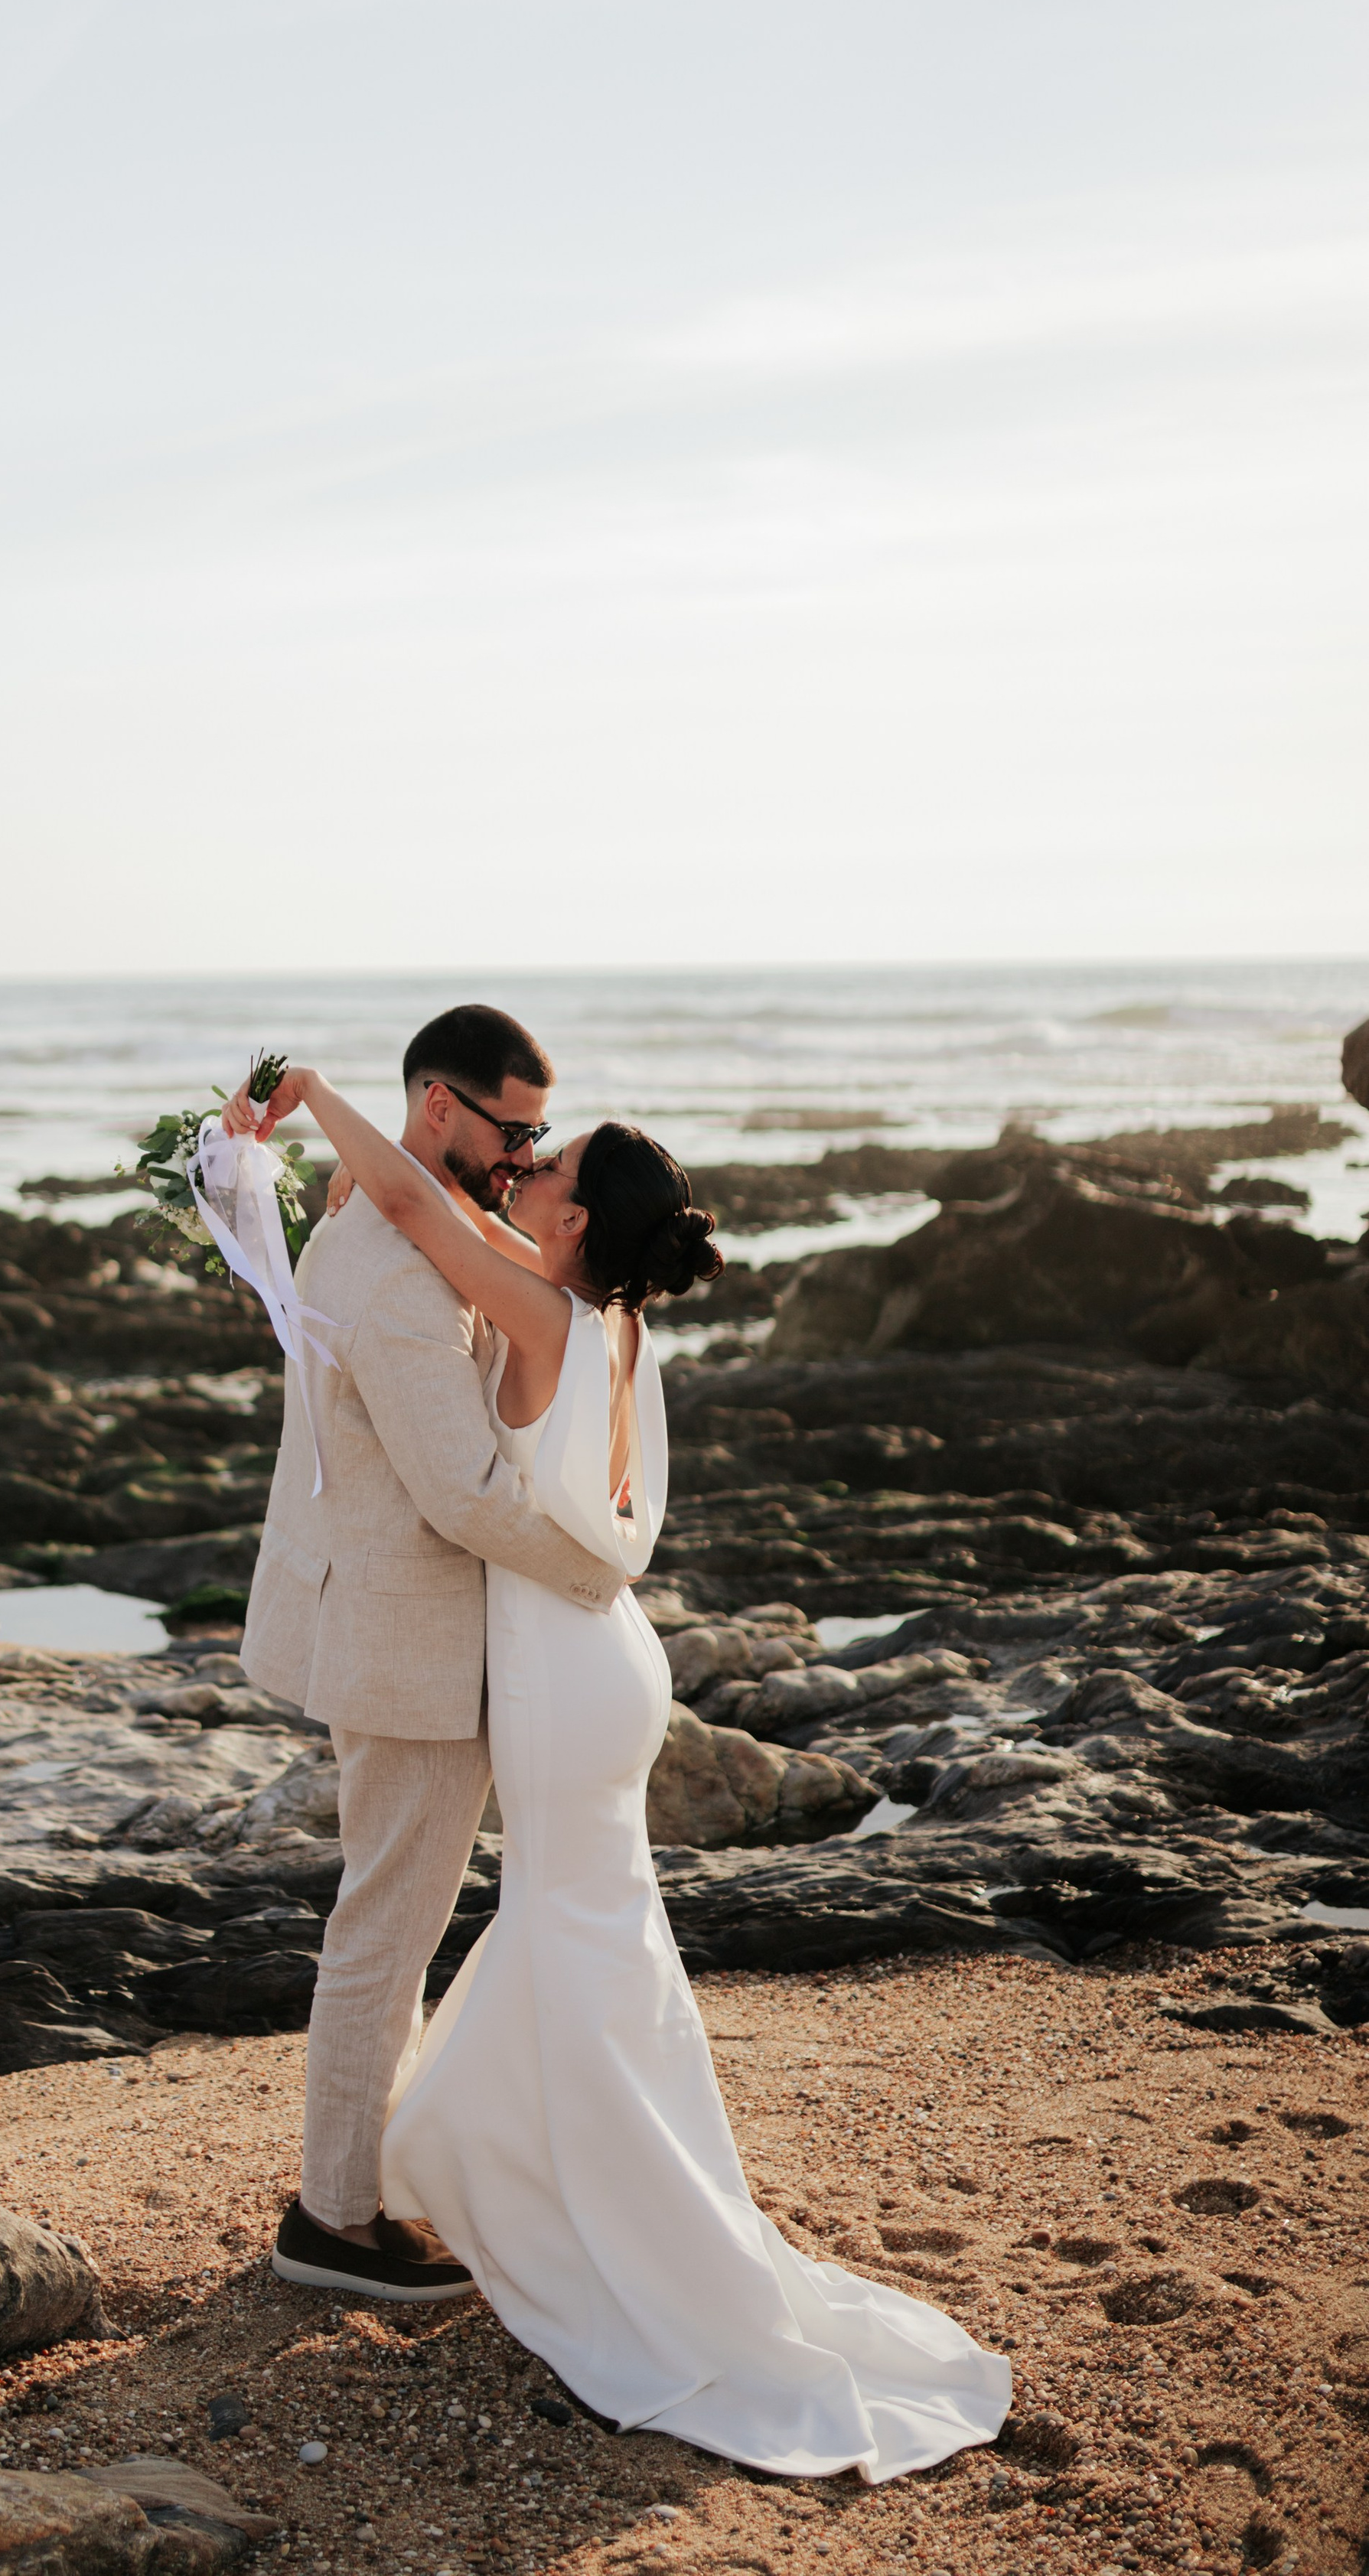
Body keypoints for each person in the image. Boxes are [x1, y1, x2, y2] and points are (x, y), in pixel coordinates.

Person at [229, 1057, 1013, 2485]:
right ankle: (555, 2198)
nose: (521, 1173)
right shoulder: (621, 1328)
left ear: (576, 1224)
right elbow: (393, 1211)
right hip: (612, 1667)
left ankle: (606, 2240)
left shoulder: (537, 1304)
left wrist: (312, 1088)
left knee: (573, 1942)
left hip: (561, 1656)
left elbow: (408, 1191)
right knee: (590, 1935)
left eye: (546, 1167)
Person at [232, 1006, 631, 2303]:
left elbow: (469, 1233)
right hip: (405, 1643)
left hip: (406, 1625)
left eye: (540, 1134)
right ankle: (332, 2221)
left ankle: (360, 2186)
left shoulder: (409, 1228)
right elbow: (460, 1494)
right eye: (514, 1130)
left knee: (393, 1916)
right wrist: (600, 1577)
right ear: (442, 1109)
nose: (528, 1155)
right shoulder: (401, 1280)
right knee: (386, 1927)